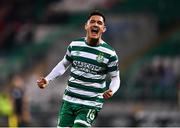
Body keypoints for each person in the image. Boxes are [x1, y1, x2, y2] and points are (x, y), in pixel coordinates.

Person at [37, 10, 120, 127]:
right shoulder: (75, 45)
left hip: (91, 102)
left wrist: (112, 90)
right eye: (92, 22)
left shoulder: (109, 53)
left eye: (99, 23)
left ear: (103, 29)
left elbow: (115, 77)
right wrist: (47, 79)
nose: (96, 25)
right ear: (86, 26)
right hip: (69, 100)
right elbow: (63, 64)